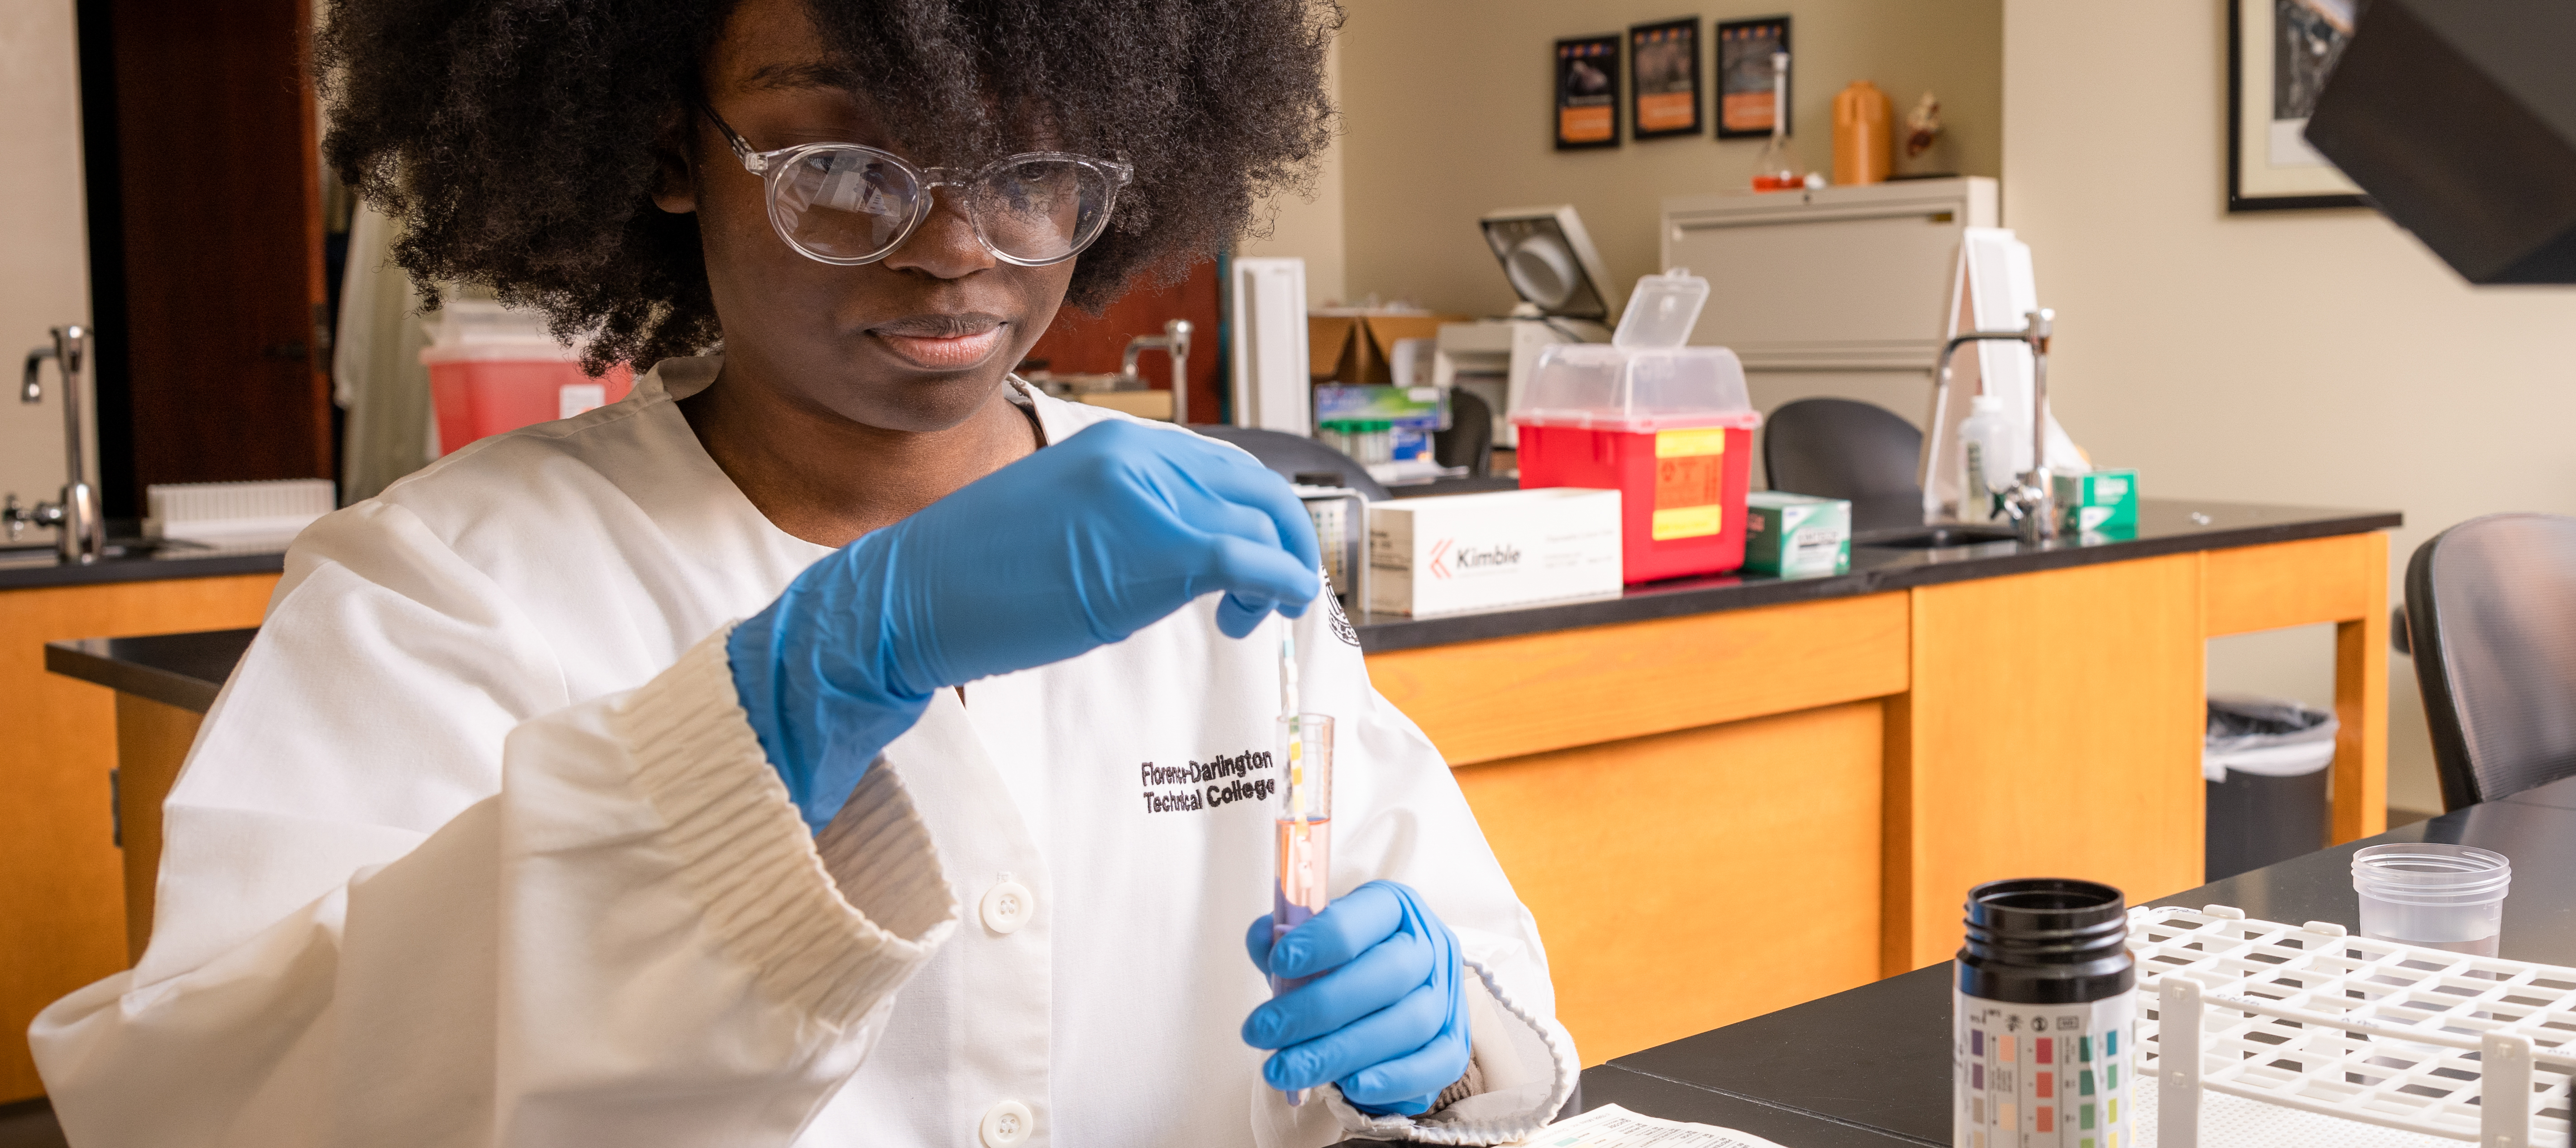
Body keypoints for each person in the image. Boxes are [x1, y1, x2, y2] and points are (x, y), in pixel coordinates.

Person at [25, 0, 1576, 1144]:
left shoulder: (1208, 553)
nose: (959, 246)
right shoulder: (442, 589)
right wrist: (780, 709)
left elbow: (1488, 992)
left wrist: (1448, 1045)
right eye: (844, 161)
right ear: (664, 149)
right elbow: (202, 1098)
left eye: (1032, 165)